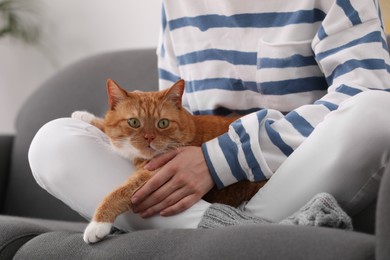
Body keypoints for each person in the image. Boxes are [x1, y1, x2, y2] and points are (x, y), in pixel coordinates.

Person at [29, 0, 390, 231]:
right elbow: (174, 113)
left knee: (379, 112)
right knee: (53, 142)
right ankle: (237, 239)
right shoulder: (177, 5)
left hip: (294, 180)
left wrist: (218, 160)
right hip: (200, 198)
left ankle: (210, 242)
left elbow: (367, 91)